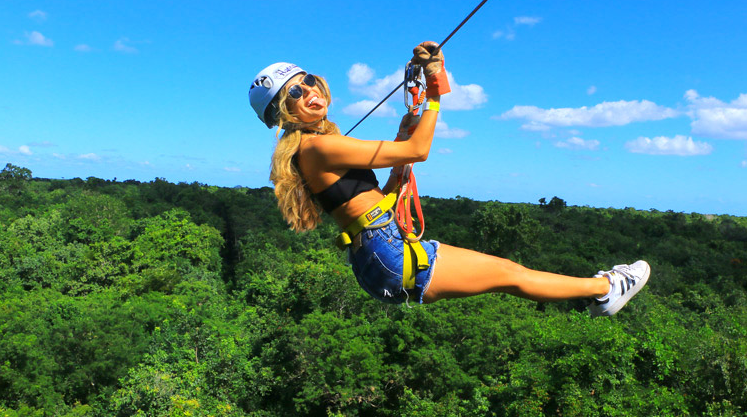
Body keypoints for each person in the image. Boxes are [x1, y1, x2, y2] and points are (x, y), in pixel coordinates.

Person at [248, 42, 650, 316]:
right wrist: (436, 90)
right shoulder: (317, 148)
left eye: (309, 82)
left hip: (377, 252)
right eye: (295, 94)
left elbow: (380, 193)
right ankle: (605, 288)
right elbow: (420, 151)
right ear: (284, 113)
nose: (309, 93)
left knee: (509, 274)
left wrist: (401, 152)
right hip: (387, 252)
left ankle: (602, 289)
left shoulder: (316, 148)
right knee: (512, 275)